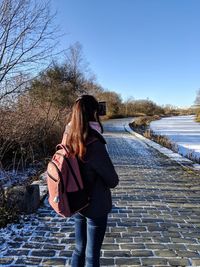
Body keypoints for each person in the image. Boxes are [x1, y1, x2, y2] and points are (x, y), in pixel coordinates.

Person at [64, 95, 119, 267]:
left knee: (79, 249)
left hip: (77, 200)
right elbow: (112, 180)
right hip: (96, 205)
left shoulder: (68, 136)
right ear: (94, 113)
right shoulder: (93, 141)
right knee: (91, 255)